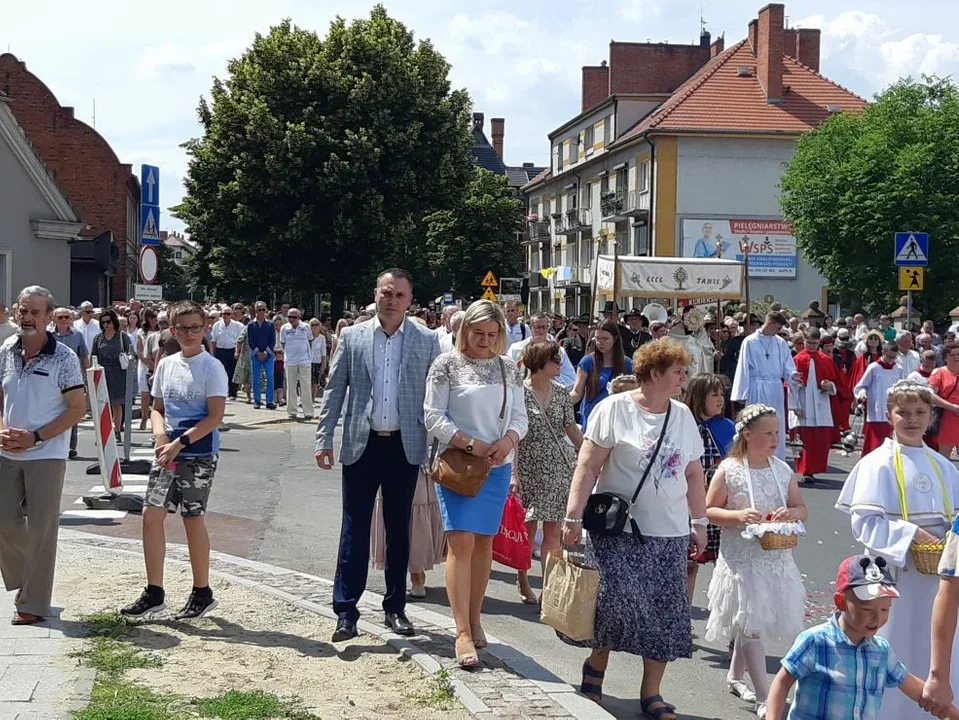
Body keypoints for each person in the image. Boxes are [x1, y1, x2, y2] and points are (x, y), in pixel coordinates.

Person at [561, 339, 707, 719]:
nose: (683, 378)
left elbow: (693, 473)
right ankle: (596, 670)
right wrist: (573, 516)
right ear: (655, 373)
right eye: (677, 371)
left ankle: (652, 693)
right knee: (611, 605)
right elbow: (588, 466)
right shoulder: (614, 410)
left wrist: (699, 520)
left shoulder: (683, 416)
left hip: (669, 531)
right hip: (616, 529)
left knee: (663, 614)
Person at [316, 268, 440, 643]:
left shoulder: (427, 340)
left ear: (409, 300)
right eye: (387, 292)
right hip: (361, 443)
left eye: (400, 295)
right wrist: (324, 438)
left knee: (399, 529)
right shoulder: (352, 338)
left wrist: (435, 449)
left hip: (406, 445)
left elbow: (435, 398)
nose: (392, 300)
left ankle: (395, 607)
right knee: (354, 528)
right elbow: (335, 390)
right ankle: (346, 610)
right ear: (376, 294)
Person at [837, 379, 959, 720]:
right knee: (897, 652)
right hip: (896, 580)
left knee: (936, 651)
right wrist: (912, 535)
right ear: (888, 414)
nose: (912, 419)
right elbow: (865, 523)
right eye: (903, 412)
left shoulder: (944, 466)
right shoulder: (877, 464)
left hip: (938, 584)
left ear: (932, 416)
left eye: (920, 412)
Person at [424, 300, 528, 667]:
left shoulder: (507, 369)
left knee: (484, 542)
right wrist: (470, 442)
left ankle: (475, 616)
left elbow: (520, 415)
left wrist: (507, 442)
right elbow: (432, 416)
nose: (484, 340)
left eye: (491, 334)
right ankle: (461, 631)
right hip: (458, 464)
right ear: (463, 329)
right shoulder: (446, 365)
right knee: (461, 541)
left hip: (497, 465)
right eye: (477, 332)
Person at [120, 300, 228, 620]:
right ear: (172, 330)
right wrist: (160, 438)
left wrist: (180, 442)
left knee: (192, 518)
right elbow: (157, 408)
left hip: (198, 451)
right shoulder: (167, 364)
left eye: (195, 327)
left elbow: (215, 416)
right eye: (182, 328)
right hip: (168, 450)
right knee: (151, 515)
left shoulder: (211, 367)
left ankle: (202, 591)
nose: (189, 333)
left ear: (204, 328)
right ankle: (154, 591)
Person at [705, 404, 808, 719]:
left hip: (775, 558)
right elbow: (709, 508)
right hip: (743, 560)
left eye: (777, 433)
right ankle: (765, 697)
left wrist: (791, 513)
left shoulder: (782, 469)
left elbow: (801, 507)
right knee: (751, 626)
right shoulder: (730, 470)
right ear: (747, 435)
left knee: (752, 620)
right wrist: (737, 515)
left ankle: (735, 676)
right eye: (768, 433)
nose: (775, 439)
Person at [768, 554, 959, 720]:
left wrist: (948, 710)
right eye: (867, 609)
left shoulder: (881, 650)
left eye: (885, 609)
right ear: (841, 602)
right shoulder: (815, 641)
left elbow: (911, 686)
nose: (877, 617)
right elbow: (782, 681)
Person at [0, 286, 85, 624]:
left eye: (35, 312)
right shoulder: (6, 349)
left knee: (42, 529)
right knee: (4, 521)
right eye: (23, 310)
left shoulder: (63, 357)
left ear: (50, 317)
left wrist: (35, 437)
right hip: (6, 453)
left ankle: (33, 603)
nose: (27, 317)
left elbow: (77, 408)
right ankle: (27, 580)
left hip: (46, 455)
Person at [511, 340, 583, 605]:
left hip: (556, 467)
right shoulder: (518, 392)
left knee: (552, 531)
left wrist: (588, 457)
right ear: (540, 362)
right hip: (527, 466)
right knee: (526, 531)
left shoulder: (562, 392)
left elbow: (571, 429)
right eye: (554, 359)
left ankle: (549, 589)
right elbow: (514, 436)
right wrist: (513, 473)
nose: (560, 364)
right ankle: (523, 580)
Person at [684, 373, 735, 606]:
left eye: (722, 394)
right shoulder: (684, 424)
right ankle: (681, 617)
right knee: (688, 564)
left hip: (719, 503)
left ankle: (726, 617)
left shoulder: (727, 427)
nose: (720, 400)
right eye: (714, 394)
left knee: (725, 565)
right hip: (688, 502)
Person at [731, 312, 800, 460]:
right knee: (757, 420)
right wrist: (742, 393)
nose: (778, 331)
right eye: (777, 327)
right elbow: (743, 368)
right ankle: (754, 454)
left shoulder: (780, 343)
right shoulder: (750, 341)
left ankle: (776, 457)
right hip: (757, 386)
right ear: (769, 324)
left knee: (776, 422)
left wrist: (792, 375)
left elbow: (788, 366)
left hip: (775, 387)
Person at [790, 328, 845, 484]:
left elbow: (836, 384)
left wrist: (830, 386)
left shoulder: (825, 359)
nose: (812, 346)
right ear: (804, 342)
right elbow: (791, 386)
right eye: (809, 343)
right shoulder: (798, 359)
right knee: (803, 438)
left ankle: (814, 468)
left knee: (819, 439)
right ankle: (805, 469)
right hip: (804, 402)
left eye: (815, 343)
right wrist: (795, 406)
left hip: (821, 404)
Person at [570, 320, 631, 432]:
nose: (600, 343)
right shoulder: (588, 361)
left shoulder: (627, 363)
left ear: (615, 339)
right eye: (597, 339)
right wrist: (560, 402)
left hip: (618, 419)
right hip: (592, 417)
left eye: (605, 339)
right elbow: (577, 392)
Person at [855, 341, 907, 455]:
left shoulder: (898, 368)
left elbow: (902, 387)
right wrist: (862, 394)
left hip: (892, 411)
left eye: (894, 357)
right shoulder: (874, 367)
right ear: (883, 352)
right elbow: (861, 385)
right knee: (875, 445)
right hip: (876, 411)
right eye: (889, 356)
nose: (891, 360)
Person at [52, 307, 90, 459]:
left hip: (73, 380)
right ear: (54, 318)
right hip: (53, 379)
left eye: (66, 317)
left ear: (71, 319)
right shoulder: (48, 335)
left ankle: (71, 446)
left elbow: (84, 357)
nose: (63, 320)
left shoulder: (78, 335)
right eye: (60, 317)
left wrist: (88, 378)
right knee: (55, 410)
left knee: (73, 410)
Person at [92, 308, 132, 442]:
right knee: (103, 404)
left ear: (114, 322)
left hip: (119, 372)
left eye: (108, 322)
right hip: (103, 372)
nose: (106, 325)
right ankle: (103, 432)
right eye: (103, 322)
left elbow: (130, 353)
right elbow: (94, 356)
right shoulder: (98, 338)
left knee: (116, 403)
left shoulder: (122, 336)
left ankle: (117, 430)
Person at [508, 313, 576, 389]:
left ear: (548, 328)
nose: (541, 331)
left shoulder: (559, 351)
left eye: (544, 327)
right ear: (531, 328)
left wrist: (549, 379)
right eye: (538, 327)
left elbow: (571, 379)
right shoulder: (515, 349)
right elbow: (508, 375)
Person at [280, 308, 313, 420]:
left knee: (305, 386)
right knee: (291, 386)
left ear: (299, 318)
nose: (291, 319)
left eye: (294, 317)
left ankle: (308, 411)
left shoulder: (306, 327)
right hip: (290, 361)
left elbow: (310, 341)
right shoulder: (284, 328)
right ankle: (292, 411)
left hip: (304, 360)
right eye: (289, 317)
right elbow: (283, 343)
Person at [930, 344, 959, 460]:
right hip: (946, 422)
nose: (956, 357)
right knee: (943, 459)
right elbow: (930, 395)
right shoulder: (939, 373)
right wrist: (953, 407)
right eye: (953, 355)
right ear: (945, 358)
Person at [246, 302, 276, 410]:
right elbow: (250, 341)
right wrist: (258, 352)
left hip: (268, 354)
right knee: (256, 378)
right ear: (255, 311)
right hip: (256, 355)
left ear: (266, 310)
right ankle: (257, 401)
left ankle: (269, 401)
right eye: (259, 310)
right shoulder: (250, 325)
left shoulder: (270, 324)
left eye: (263, 309)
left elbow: (272, 340)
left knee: (270, 377)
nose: (261, 312)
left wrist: (266, 352)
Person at [210, 306, 242, 400]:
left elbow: (240, 340)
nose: (226, 316)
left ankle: (233, 393)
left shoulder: (238, 326)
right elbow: (213, 340)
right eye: (224, 314)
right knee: (221, 372)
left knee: (232, 372)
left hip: (233, 350)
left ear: (231, 315)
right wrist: (212, 353)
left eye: (228, 314)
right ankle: (223, 391)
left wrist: (238, 352)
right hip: (220, 351)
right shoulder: (217, 325)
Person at [137, 309, 160, 430]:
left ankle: (154, 421)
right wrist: (149, 363)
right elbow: (139, 351)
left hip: (157, 365)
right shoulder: (142, 332)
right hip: (144, 365)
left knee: (156, 394)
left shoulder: (159, 332)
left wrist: (155, 365)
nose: (155, 321)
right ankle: (144, 418)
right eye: (153, 319)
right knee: (144, 395)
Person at [232, 322, 252, 404]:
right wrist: (237, 351)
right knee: (246, 378)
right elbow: (239, 340)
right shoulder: (248, 327)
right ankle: (249, 397)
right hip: (246, 356)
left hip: (259, 356)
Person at [308, 318, 328, 401]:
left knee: (315, 382)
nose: (315, 327)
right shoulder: (307, 337)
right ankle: (305, 399)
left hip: (317, 362)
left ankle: (312, 399)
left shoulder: (322, 338)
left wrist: (323, 365)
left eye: (317, 325)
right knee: (306, 382)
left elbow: (323, 353)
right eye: (313, 325)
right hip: (307, 362)